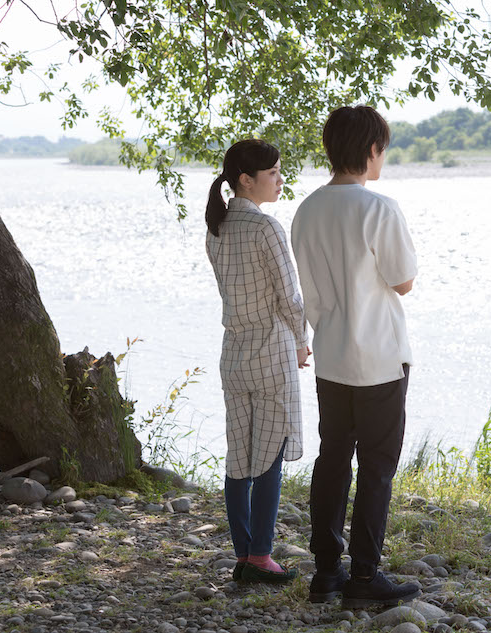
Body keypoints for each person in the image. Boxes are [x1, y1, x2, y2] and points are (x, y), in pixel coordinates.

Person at [291, 105, 419, 607]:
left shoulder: (307, 209)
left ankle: (326, 571)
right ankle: (365, 577)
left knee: (332, 459)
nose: (383, 157)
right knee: (377, 467)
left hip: (331, 355)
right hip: (380, 359)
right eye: (382, 148)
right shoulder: (379, 208)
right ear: (371, 150)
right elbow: (403, 282)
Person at [205, 139, 311, 584]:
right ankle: (261, 556)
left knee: (239, 457)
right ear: (246, 180)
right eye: (273, 173)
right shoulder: (266, 228)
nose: (280, 179)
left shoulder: (217, 226)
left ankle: (243, 554)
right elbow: (289, 296)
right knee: (269, 455)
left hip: (234, 353)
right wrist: (303, 342)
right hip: (270, 350)